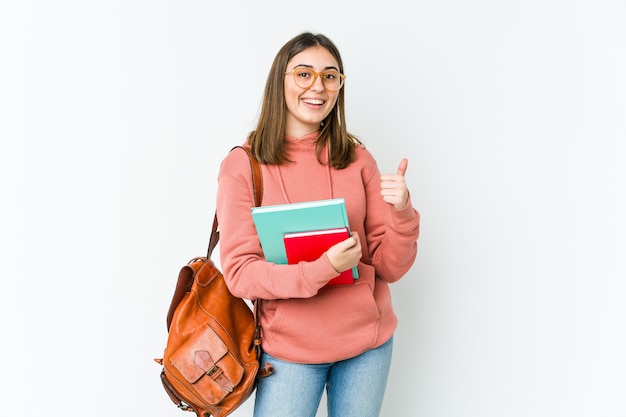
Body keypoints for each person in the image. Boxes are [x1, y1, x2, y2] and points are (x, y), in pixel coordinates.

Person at [216, 32, 420, 417]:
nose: (318, 86)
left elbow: (390, 267)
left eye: (331, 76)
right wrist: (324, 269)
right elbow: (240, 275)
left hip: (367, 348)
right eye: (304, 74)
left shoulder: (357, 158)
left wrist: (403, 214)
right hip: (289, 352)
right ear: (281, 80)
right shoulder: (243, 166)